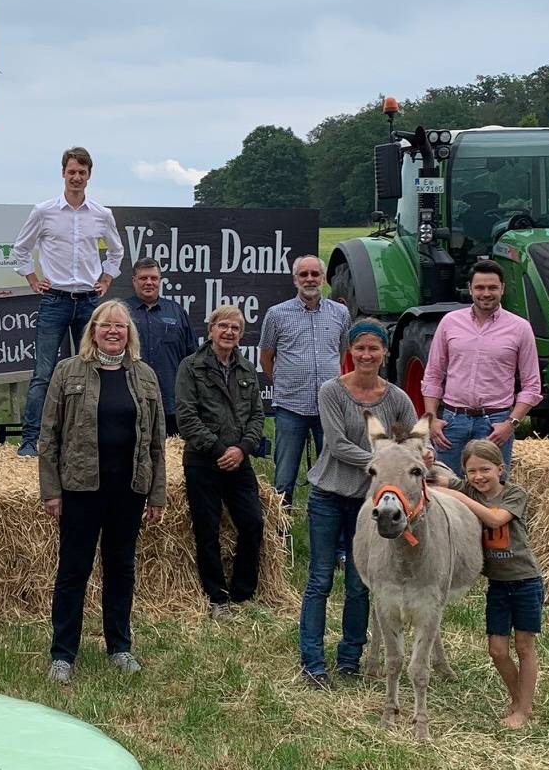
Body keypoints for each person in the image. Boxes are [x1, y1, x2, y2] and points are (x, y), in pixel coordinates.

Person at [39, 299, 167, 684]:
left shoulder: (145, 376)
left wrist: (156, 494)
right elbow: (49, 436)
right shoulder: (68, 372)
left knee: (121, 569)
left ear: (130, 334)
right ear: (92, 330)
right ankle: (63, 655)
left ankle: (120, 648)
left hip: (128, 489)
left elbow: (157, 441)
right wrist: (52, 491)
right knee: (73, 571)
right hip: (80, 488)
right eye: (106, 325)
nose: (114, 332)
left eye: (121, 327)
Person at [297, 318, 418, 688]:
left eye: (373, 348)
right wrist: (386, 461)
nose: (366, 355)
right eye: (360, 348)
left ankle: (350, 657)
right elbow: (336, 445)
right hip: (329, 496)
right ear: (350, 352)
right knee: (320, 579)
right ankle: (312, 661)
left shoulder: (397, 398)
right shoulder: (331, 392)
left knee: (360, 581)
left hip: (371, 506)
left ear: (384, 352)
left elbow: (414, 441)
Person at [12, 146, 124, 457]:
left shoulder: (102, 215)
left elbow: (116, 252)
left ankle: (94, 438)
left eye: (82, 172)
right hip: (55, 300)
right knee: (43, 373)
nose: (76, 177)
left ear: (89, 176)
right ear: (63, 173)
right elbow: (20, 249)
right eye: (71, 171)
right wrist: (32, 279)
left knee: (95, 370)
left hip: (89, 302)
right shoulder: (44, 211)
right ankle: (30, 441)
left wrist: (106, 279)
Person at [437, 440, 542, 729]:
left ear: (500, 468)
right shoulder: (466, 487)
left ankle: (524, 709)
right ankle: (519, 699)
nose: (479, 476)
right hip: (497, 584)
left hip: (525, 581)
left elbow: (495, 521)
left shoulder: (514, 493)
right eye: (472, 471)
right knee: (497, 651)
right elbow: (435, 478)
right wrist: (423, 462)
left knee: (524, 647)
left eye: (485, 469)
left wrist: (459, 497)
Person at [173, 305, 265, 619]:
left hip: (239, 460)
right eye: (223, 326)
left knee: (253, 523)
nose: (228, 333)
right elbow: (186, 417)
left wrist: (242, 448)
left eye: (235, 328)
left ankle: (243, 592)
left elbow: (257, 415)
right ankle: (217, 597)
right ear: (210, 330)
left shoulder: (246, 368)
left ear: (241, 335)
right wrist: (218, 450)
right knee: (207, 528)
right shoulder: (191, 366)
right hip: (203, 461)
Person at [422, 260, 541, 474]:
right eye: (480, 287)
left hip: (494, 424)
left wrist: (511, 424)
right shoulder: (450, 322)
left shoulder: (520, 328)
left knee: (492, 493)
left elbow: (532, 385)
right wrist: (431, 418)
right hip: (452, 422)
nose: (486, 293)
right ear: (470, 289)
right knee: (447, 489)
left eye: (492, 287)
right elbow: (433, 375)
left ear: (502, 289)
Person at [258, 254, 350, 510]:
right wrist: (284, 383)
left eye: (315, 274)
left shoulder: (340, 313)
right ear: (295, 279)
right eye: (304, 274)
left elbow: (341, 353)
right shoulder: (277, 314)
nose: (309, 279)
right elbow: (266, 356)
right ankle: (280, 538)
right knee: (284, 477)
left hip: (329, 409)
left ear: (323, 279)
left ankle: (333, 536)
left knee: (333, 474)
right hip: (290, 408)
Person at [124, 258, 198, 436]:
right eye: (143, 278)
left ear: (160, 281)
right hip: (130, 400)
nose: (149, 282)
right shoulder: (122, 312)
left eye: (153, 278)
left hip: (170, 403)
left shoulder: (177, 312)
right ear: (134, 280)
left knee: (170, 459)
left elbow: (193, 357)